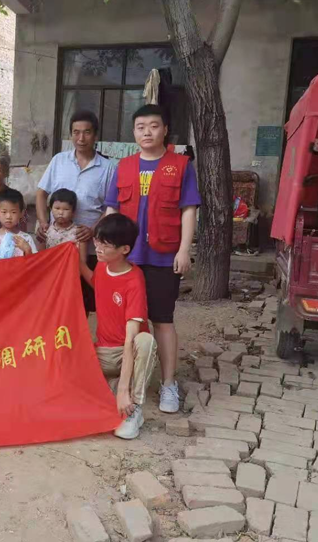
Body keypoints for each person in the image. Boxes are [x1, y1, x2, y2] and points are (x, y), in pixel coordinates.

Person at [104, 104, 200, 414]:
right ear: (134, 132)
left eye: (154, 126)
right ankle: (127, 379)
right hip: (126, 258)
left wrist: (184, 249)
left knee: (162, 319)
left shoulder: (181, 166)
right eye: (140, 126)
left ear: (165, 129)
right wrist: (105, 249)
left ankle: (169, 383)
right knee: (126, 321)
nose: (147, 132)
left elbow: (188, 210)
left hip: (162, 257)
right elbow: (112, 210)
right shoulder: (124, 167)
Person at [79, 214, 156, 440]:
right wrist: (77, 257)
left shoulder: (134, 280)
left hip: (125, 353)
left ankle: (134, 408)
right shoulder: (102, 266)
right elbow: (94, 281)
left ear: (124, 249)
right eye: (97, 241)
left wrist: (123, 391)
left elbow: (130, 339)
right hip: (102, 352)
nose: (98, 248)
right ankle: (113, 387)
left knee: (145, 341)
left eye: (105, 244)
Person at [36, 110, 115, 313]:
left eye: (87, 132)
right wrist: (43, 222)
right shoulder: (59, 161)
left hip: (89, 248)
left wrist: (93, 230)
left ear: (95, 135)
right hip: (55, 249)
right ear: (71, 134)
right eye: (76, 132)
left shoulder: (107, 168)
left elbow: (111, 206)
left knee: (84, 303)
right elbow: (41, 193)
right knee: (54, 303)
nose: (81, 138)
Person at [0, 188, 38, 260]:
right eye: (4, 212)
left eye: (13, 212)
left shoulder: (26, 238)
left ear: (21, 213)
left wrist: (27, 249)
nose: (8, 216)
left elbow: (34, 262)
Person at [45, 188, 87, 263]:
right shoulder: (46, 230)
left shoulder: (79, 233)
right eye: (57, 208)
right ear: (51, 209)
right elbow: (41, 255)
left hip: (70, 269)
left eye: (66, 209)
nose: (61, 212)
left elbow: (82, 261)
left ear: (73, 211)